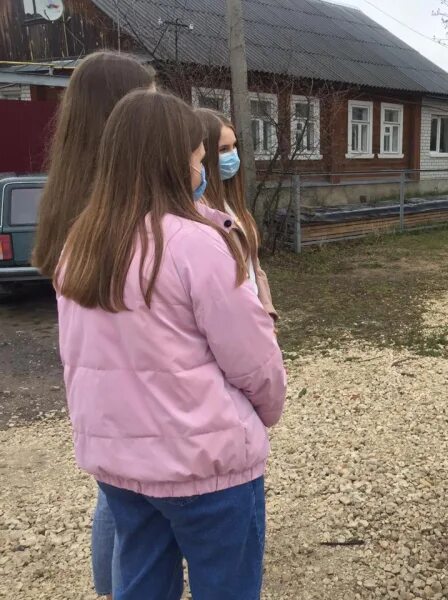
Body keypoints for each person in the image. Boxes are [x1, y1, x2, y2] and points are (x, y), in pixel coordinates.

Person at [55, 90, 287, 600]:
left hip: (121, 464)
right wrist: (268, 412)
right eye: (200, 158)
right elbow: (255, 359)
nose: (205, 169)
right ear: (173, 161)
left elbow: (78, 354)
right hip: (207, 468)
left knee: (140, 585)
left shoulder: (81, 245)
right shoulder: (195, 243)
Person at [31, 50, 155, 599]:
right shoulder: (114, 203)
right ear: (119, 113)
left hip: (97, 385)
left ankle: (111, 589)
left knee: (114, 495)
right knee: (128, 507)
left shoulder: (72, 191)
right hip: (131, 379)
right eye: (148, 101)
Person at [195, 108, 277, 320]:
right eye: (223, 149)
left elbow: (254, 265)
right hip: (231, 321)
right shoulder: (197, 211)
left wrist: (267, 310)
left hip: (253, 316)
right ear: (202, 155)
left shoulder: (232, 203)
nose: (232, 156)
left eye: (234, 147)